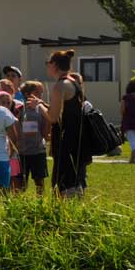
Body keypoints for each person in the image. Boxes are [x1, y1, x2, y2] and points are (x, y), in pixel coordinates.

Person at [45, 50, 91, 197]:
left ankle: (65, 208)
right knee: (76, 180)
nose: (47, 66)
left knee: (64, 184)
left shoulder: (60, 86)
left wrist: (39, 107)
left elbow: (53, 118)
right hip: (77, 139)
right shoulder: (75, 83)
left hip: (65, 142)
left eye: (48, 63)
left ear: (54, 65)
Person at [17, 82, 50, 194]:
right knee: (21, 184)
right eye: (37, 92)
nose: (40, 96)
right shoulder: (19, 108)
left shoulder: (41, 109)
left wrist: (48, 121)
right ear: (27, 94)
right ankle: (20, 204)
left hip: (38, 151)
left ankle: (40, 203)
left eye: (41, 93)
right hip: (22, 152)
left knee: (40, 183)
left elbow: (45, 133)